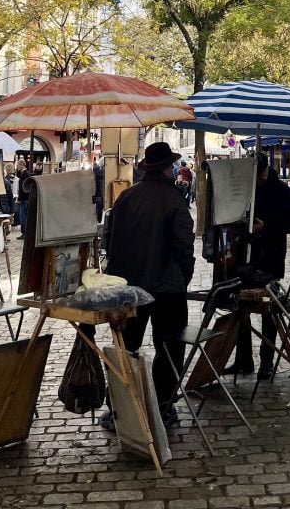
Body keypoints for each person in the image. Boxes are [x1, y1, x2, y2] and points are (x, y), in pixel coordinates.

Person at [104, 141, 194, 428]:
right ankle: (163, 406)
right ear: (168, 168)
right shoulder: (174, 198)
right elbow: (184, 245)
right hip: (168, 287)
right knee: (169, 347)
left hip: (130, 287)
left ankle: (120, 405)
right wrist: (184, 274)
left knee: (127, 347)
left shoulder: (127, 196)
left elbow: (109, 239)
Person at [227, 153, 290, 380]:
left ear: (267, 171)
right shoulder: (247, 188)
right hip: (246, 258)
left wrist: (265, 226)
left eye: (260, 176)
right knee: (240, 308)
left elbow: (289, 224)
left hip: (271, 257)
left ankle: (267, 360)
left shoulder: (282, 191)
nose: (257, 180)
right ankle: (243, 359)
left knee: (269, 312)